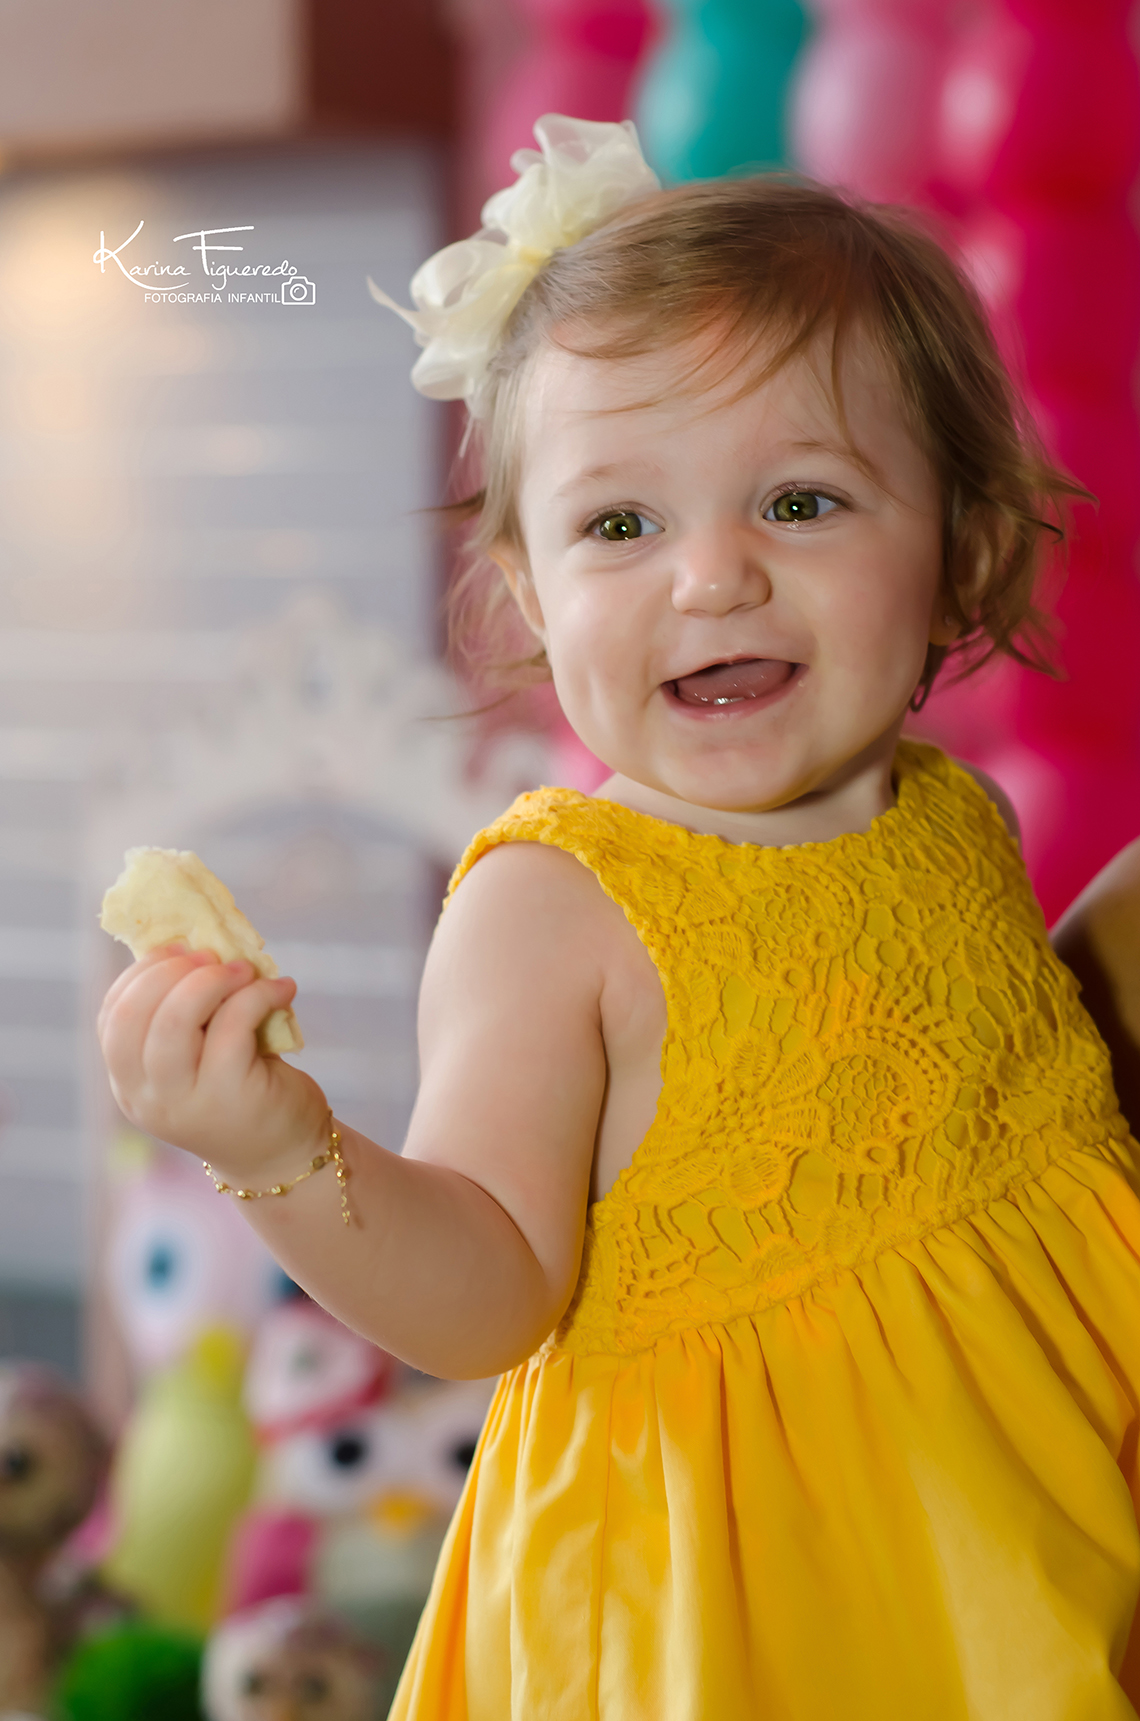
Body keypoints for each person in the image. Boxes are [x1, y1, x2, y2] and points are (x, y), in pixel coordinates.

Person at [97, 117, 1140, 1718]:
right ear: (532, 591)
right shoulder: (555, 907)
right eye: (621, 526)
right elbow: (486, 1289)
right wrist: (276, 1150)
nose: (711, 579)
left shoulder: (955, 816)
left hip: (1036, 1502)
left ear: (962, 552)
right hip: (751, 1604)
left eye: (801, 502)